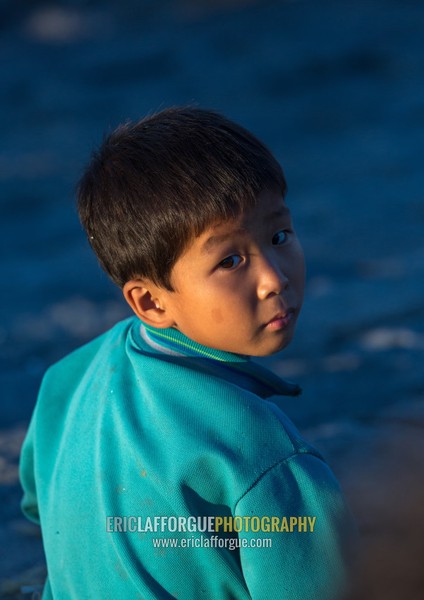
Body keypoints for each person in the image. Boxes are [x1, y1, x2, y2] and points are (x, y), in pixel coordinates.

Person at [20, 107, 356, 599]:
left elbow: (40, 507)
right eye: (230, 260)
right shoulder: (266, 460)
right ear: (151, 301)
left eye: (279, 236)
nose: (275, 279)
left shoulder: (64, 382)